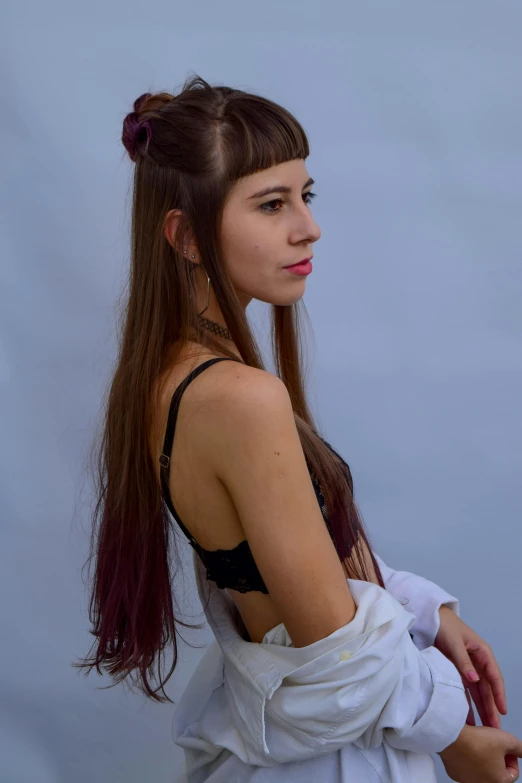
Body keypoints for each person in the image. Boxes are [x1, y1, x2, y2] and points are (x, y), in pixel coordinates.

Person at [76, 75, 521, 782]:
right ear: (186, 235)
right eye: (271, 203)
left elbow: (292, 568)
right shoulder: (241, 398)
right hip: (337, 757)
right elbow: (336, 644)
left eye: (304, 196)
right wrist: (451, 737)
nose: (307, 225)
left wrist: (425, 609)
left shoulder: (167, 380)